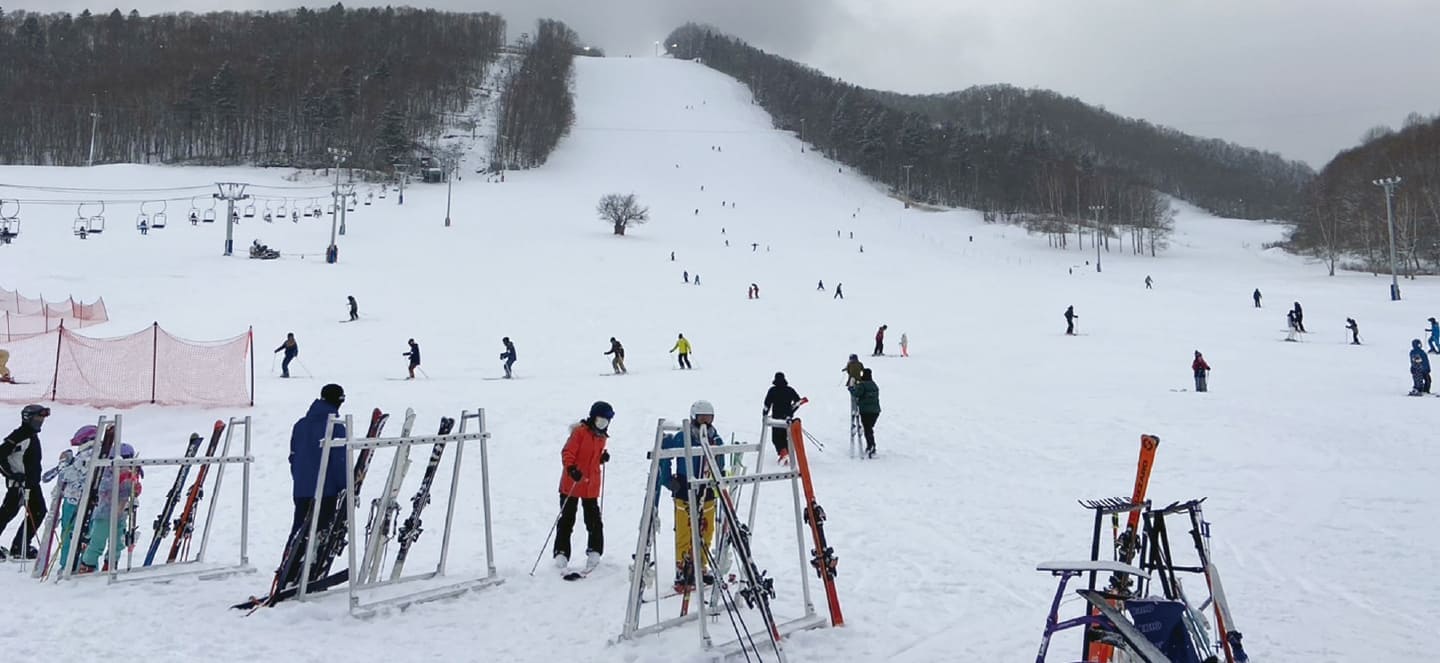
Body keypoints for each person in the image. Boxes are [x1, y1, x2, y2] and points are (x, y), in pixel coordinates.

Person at [656, 400, 725, 590]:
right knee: (685, 531)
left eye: (709, 418)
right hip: (685, 490)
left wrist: (719, 480)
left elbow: (720, 461)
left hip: (707, 490)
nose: (705, 422)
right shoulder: (683, 437)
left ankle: (700, 566)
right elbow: (665, 453)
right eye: (702, 418)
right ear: (694, 417)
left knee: (706, 529)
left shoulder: (715, 439)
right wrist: (667, 480)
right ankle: (683, 567)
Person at [282, 384, 348, 581]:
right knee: (320, 531)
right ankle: (308, 572)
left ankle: (288, 570)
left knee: (299, 529)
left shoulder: (300, 425)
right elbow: (339, 461)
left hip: (302, 488)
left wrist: (300, 478)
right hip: (326, 489)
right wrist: (346, 485)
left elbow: (293, 456)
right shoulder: (336, 426)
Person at [555, 401, 612, 573]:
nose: (603, 423)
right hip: (572, 483)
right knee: (567, 519)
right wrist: (571, 468)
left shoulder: (602, 437)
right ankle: (561, 553)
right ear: (593, 417)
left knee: (594, 520)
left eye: (606, 421)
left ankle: (595, 551)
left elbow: (592, 457)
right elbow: (568, 452)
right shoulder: (579, 433)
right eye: (601, 420)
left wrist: (601, 458)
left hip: (590, 485)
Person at [76, 443, 142, 573]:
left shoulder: (131, 473)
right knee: (97, 542)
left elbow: (132, 491)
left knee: (117, 544)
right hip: (104, 515)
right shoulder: (105, 472)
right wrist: (120, 479)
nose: (124, 468)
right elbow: (103, 487)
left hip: (121, 514)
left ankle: (110, 565)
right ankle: (87, 566)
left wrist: (135, 487)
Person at [0, 404, 49, 559]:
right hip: (20, 484)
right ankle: (20, 546)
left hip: (32, 483)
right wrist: (12, 475)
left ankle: (20, 546)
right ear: (28, 418)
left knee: (37, 511)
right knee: (8, 513)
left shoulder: (31, 435)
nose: (40, 422)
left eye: (41, 419)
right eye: (37, 418)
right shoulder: (20, 435)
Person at [54, 425, 98, 569]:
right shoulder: (100, 454)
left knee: (69, 533)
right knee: (88, 534)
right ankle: (87, 564)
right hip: (92, 502)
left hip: (74, 501)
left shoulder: (86, 456)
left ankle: (67, 564)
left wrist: (63, 464)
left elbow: (67, 475)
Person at [763, 373, 803, 462]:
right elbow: (798, 402)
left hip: (776, 419)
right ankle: (786, 454)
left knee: (776, 438)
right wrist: (790, 412)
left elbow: (767, 404)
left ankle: (783, 454)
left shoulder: (772, 390)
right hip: (787, 419)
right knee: (785, 437)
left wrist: (764, 414)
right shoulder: (789, 390)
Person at [848, 369, 881, 458]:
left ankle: (871, 446)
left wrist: (851, 388)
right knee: (869, 428)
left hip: (866, 411)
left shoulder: (863, 385)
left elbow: (857, 393)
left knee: (867, 429)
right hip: (876, 411)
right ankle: (870, 446)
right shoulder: (874, 385)